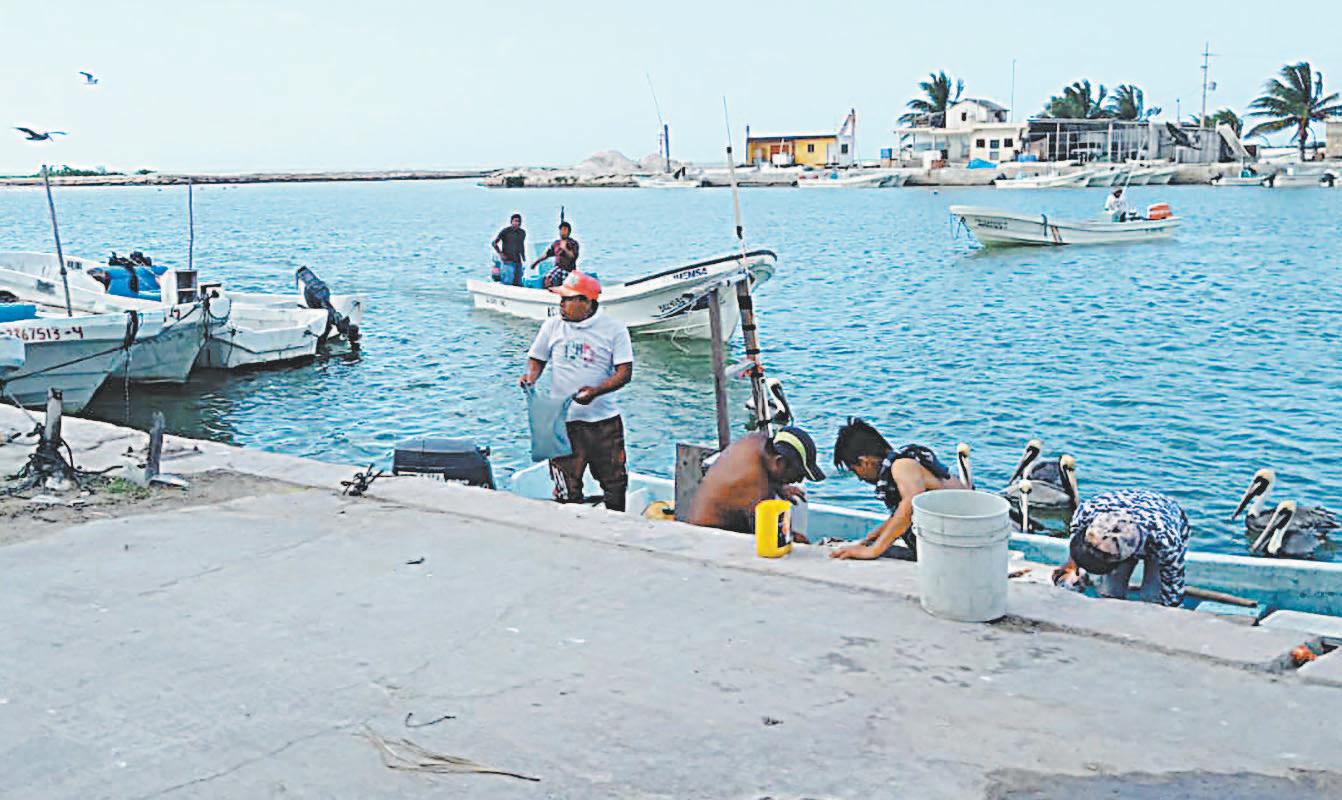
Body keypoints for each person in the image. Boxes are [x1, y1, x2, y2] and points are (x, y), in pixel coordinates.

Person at [519, 271, 633, 511]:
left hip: (604, 422)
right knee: (566, 486)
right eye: (560, 299)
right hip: (563, 422)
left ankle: (615, 525)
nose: (561, 305)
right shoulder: (552, 326)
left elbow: (624, 373)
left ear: (587, 302)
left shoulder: (614, 330)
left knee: (614, 482)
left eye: (567, 299)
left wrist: (596, 391)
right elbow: (537, 358)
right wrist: (531, 377)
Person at [829, 418, 966, 560]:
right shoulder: (905, 464)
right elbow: (899, 514)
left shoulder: (902, 465)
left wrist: (872, 551)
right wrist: (871, 539)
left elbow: (909, 506)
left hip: (957, 548)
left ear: (865, 462)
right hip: (949, 542)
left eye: (855, 470)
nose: (859, 478)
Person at [1052, 489, 1190, 607]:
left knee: (1153, 597)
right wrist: (1072, 568)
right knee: (1109, 591)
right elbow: (1076, 540)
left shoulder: (1167, 542)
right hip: (1124, 505)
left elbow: (1173, 588)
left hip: (1165, 517)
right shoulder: (1087, 511)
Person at [685, 427, 826, 536]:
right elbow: (768, 536)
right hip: (710, 536)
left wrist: (780, 487)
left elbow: (766, 474)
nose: (799, 480)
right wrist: (798, 540)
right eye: (798, 474)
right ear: (779, 462)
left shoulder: (756, 441)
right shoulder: (756, 488)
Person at [532, 221, 581, 289]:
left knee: (567, 285)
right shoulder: (556, 243)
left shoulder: (573, 243)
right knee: (547, 279)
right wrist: (536, 262)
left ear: (569, 232)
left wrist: (565, 249)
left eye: (565, 230)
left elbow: (573, 257)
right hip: (558, 267)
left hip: (569, 269)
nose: (563, 232)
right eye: (561, 230)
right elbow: (547, 254)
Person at [491, 213, 527, 286]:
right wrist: (501, 254)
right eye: (515, 221)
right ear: (511, 222)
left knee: (518, 282)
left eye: (519, 221)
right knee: (508, 281)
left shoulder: (522, 232)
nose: (517, 223)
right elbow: (494, 243)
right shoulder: (505, 231)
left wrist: (523, 257)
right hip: (508, 260)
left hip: (518, 260)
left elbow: (521, 245)